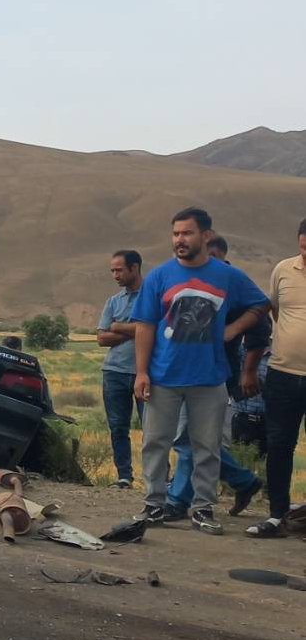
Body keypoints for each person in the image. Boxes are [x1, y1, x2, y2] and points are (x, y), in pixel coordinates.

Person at [126, 207, 269, 535]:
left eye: (187, 233)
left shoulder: (227, 276)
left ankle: (203, 509)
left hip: (210, 377)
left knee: (207, 447)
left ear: (206, 236)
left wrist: (233, 330)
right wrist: (142, 372)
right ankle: (154, 503)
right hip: (163, 376)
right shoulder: (160, 276)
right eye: (175, 233)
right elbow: (145, 326)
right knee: (156, 443)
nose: (179, 240)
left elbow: (261, 305)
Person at [161, 234, 265, 520]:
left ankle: (177, 501)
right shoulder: (190, 282)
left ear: (221, 256)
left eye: (213, 257)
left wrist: (248, 370)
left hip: (219, 372)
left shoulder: (233, 283)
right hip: (184, 370)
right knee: (198, 440)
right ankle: (244, 480)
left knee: (191, 440)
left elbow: (259, 329)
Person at [253, 219, 306, 537]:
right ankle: (276, 516)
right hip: (283, 373)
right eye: (303, 245)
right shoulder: (283, 270)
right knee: (279, 445)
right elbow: (274, 310)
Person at [97, 249, 144, 488]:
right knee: (118, 426)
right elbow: (102, 338)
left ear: (134, 268)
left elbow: (152, 329)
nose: (115, 275)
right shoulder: (113, 301)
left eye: (119, 270)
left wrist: (117, 326)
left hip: (145, 372)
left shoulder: (152, 296)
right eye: (112, 270)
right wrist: (133, 329)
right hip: (114, 371)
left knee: (152, 429)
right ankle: (124, 476)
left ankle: (158, 478)